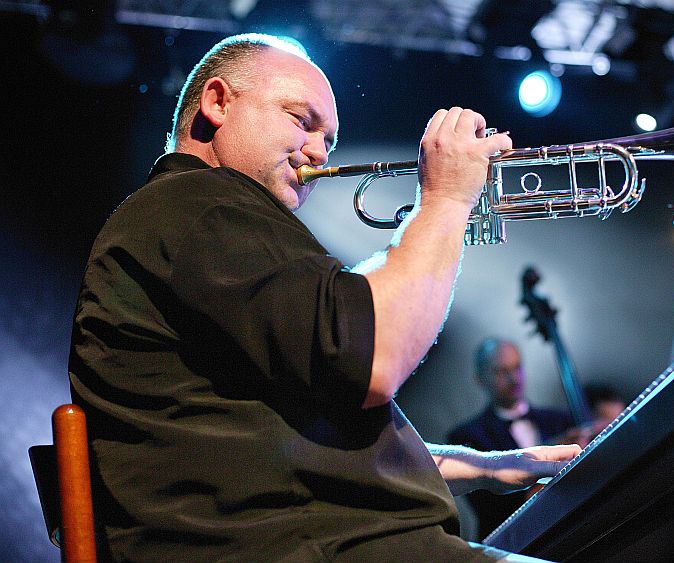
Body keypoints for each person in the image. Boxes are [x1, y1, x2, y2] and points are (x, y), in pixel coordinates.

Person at [68, 33, 581, 561]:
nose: (317, 151)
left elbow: (297, 445)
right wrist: (447, 199)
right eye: (301, 119)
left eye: (329, 140)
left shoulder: (209, 231)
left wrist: (485, 466)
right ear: (218, 102)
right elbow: (376, 357)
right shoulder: (200, 205)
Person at [448, 339, 574, 540]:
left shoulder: (561, 421)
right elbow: (489, 508)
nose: (514, 379)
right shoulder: (465, 437)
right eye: (501, 371)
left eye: (517, 367)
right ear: (480, 379)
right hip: (513, 543)